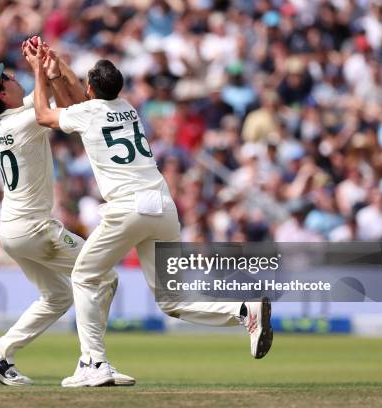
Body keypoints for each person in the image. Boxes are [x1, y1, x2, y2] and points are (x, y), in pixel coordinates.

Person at [26, 44, 273, 388]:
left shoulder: (90, 110)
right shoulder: (127, 108)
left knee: (83, 276)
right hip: (162, 205)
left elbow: (44, 115)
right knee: (172, 299)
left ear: (91, 89)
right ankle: (245, 311)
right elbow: (79, 101)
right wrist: (57, 66)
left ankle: (94, 363)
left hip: (128, 208)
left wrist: (40, 71)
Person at [0, 38, 134, 387]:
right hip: (34, 229)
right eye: (8, 79)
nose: (13, 78)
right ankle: (91, 362)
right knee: (104, 277)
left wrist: (51, 68)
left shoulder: (8, 121)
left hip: (13, 230)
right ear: (2, 95)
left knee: (58, 296)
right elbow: (50, 112)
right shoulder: (19, 122)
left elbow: (57, 103)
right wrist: (41, 70)